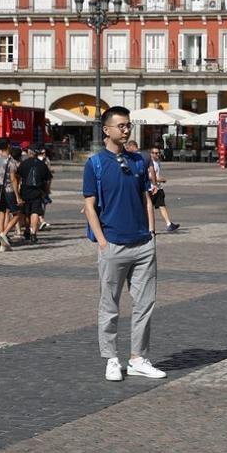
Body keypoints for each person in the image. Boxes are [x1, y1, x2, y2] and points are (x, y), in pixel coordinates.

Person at [83, 106, 165, 383]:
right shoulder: (94, 164)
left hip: (142, 243)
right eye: (121, 125)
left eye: (128, 125)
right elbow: (89, 206)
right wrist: (103, 242)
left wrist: (152, 234)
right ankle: (111, 358)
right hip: (113, 244)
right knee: (110, 306)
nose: (126, 129)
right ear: (106, 130)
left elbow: (146, 198)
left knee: (145, 304)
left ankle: (138, 358)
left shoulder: (139, 161)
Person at [17, 147, 53, 244]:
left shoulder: (24, 163)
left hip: (25, 190)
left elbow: (18, 176)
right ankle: (33, 233)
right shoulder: (42, 164)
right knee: (35, 211)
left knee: (26, 212)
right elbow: (48, 178)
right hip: (37, 190)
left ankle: (27, 230)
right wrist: (47, 190)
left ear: (29, 152)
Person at [147, 147, 180, 232]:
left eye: (158, 153)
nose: (158, 154)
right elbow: (148, 176)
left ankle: (169, 224)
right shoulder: (149, 163)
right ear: (151, 154)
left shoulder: (157, 162)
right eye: (155, 153)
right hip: (151, 189)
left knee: (162, 205)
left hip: (158, 188)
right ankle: (148, 227)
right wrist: (160, 180)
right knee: (147, 208)